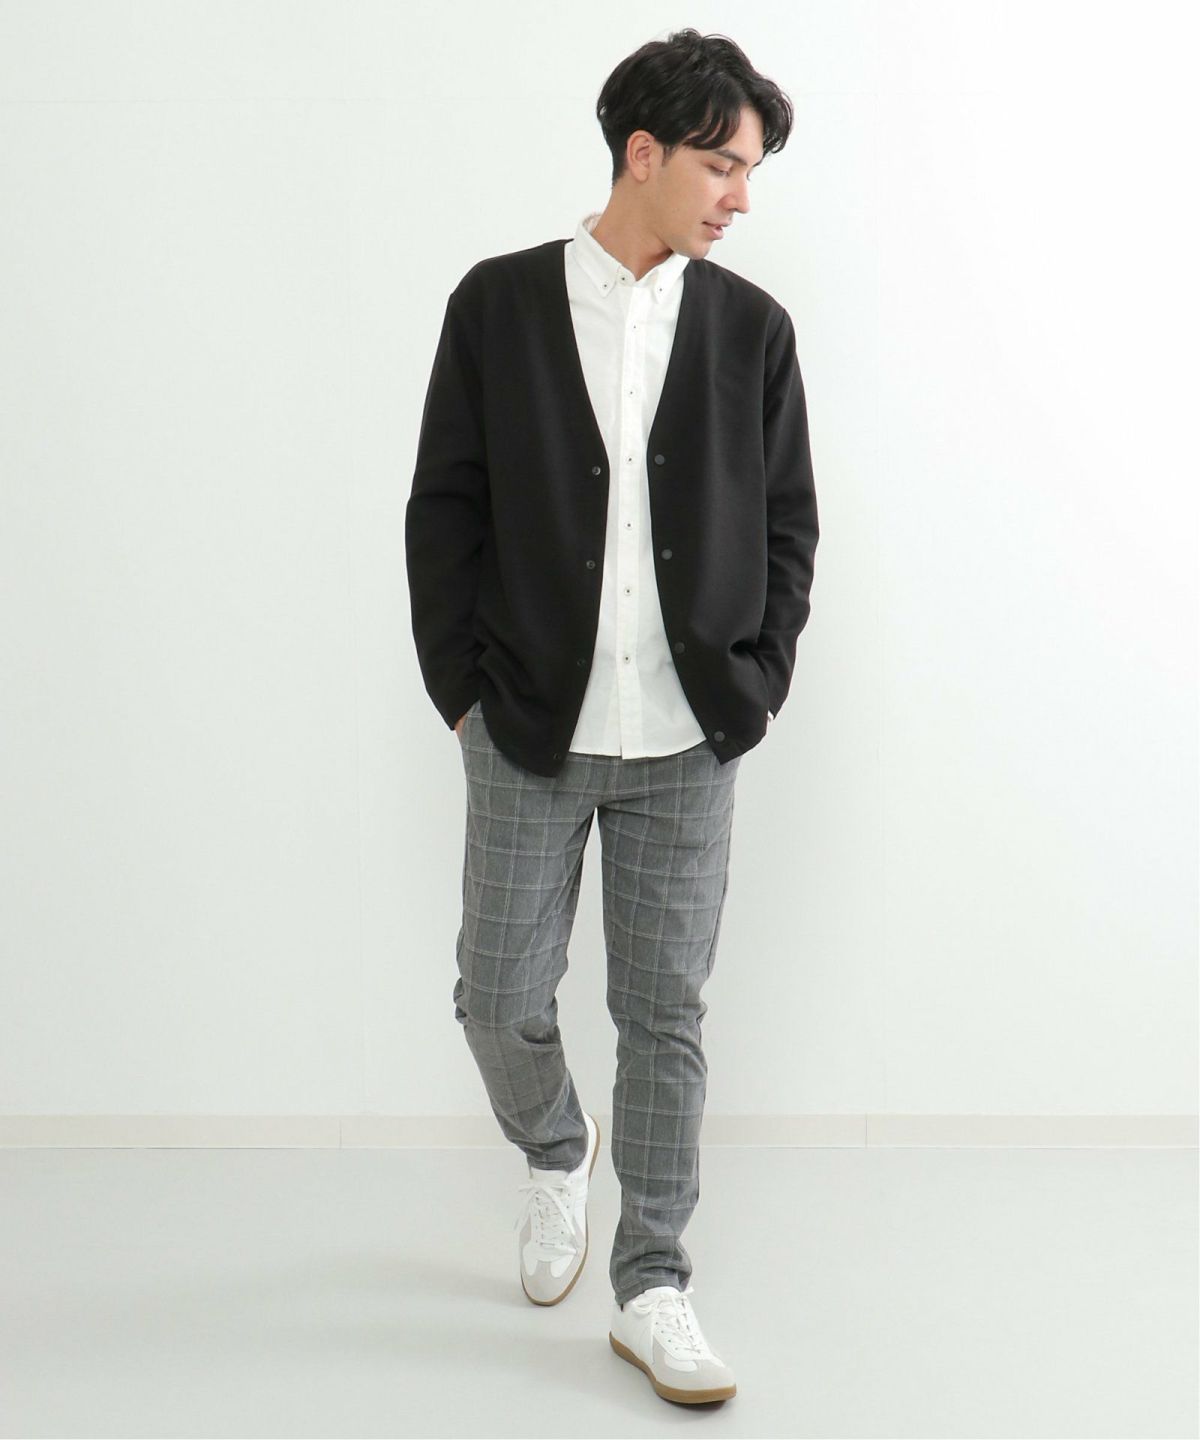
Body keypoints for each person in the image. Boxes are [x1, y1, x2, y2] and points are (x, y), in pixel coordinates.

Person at [405, 26, 818, 1406]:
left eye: (750, 172)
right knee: (498, 994)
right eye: (721, 165)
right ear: (643, 153)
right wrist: (462, 694)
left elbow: (789, 522)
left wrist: (755, 682)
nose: (740, 197)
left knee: (663, 1013)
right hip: (530, 724)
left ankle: (653, 1286)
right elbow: (444, 508)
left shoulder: (754, 330)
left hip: (689, 736)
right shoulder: (498, 305)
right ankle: (554, 1147)